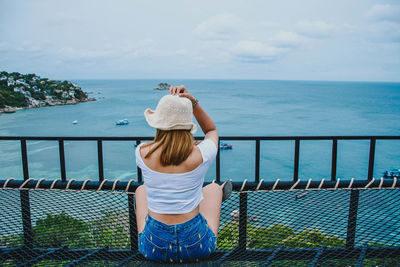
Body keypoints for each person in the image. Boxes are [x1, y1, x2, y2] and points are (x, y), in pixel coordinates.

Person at [135, 85, 232, 263]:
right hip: (197, 246)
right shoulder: (202, 153)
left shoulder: (142, 152)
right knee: (212, 189)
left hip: (153, 247)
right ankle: (211, 194)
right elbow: (211, 130)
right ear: (188, 126)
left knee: (141, 190)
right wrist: (193, 102)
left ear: (158, 124)